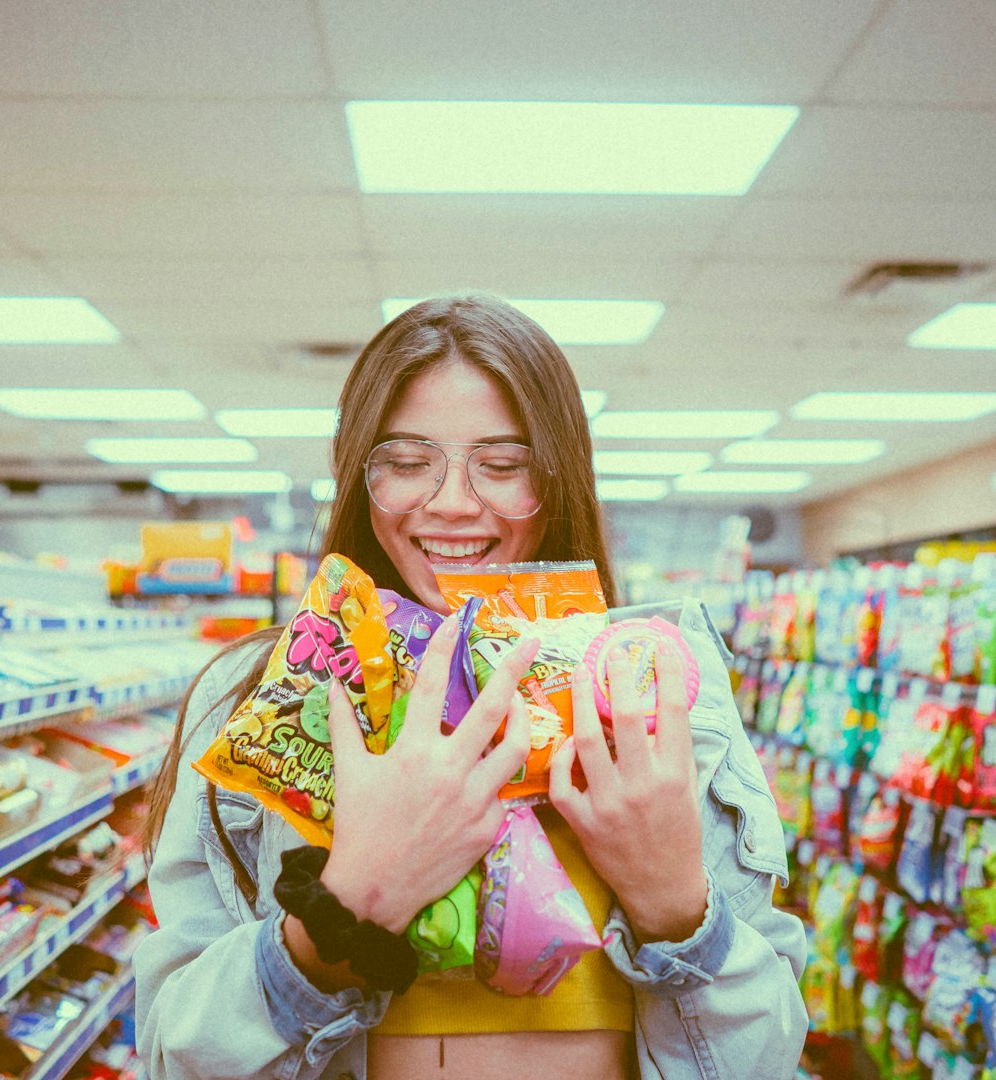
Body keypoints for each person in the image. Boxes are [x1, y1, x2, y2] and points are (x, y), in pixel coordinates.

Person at [134, 294, 808, 1080]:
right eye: (408, 462)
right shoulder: (253, 697)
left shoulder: (650, 689)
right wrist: (342, 910)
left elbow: (765, 1060)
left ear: (557, 479)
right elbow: (171, 1059)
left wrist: (676, 907)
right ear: (359, 473)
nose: (452, 503)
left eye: (502, 464)